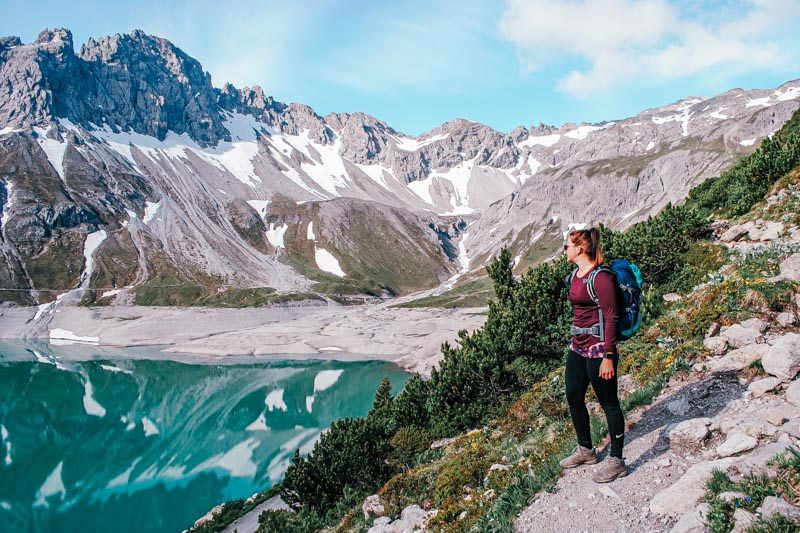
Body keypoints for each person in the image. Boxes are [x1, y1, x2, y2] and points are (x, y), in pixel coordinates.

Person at [559, 227, 627, 483]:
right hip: (578, 345)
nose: (564, 251)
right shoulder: (575, 276)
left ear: (579, 249)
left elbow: (612, 317)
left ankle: (617, 460)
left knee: (608, 402)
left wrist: (609, 355)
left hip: (600, 347)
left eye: (566, 247)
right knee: (573, 395)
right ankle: (586, 450)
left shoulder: (601, 278)